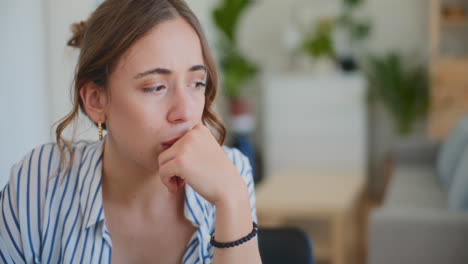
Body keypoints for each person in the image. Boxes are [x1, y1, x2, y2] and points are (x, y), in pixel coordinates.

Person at [0, 0, 261, 263]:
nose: (185, 111)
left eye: (196, 83)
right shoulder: (38, 183)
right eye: (156, 87)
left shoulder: (231, 173)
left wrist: (232, 199)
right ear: (96, 100)